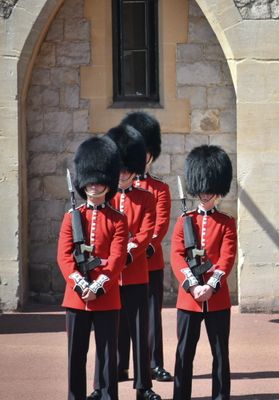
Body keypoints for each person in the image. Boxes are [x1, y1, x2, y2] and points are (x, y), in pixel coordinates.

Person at [89, 125, 161, 400]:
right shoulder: (103, 199)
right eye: (118, 169)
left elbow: (147, 233)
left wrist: (127, 251)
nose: (121, 175)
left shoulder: (146, 198)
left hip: (134, 273)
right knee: (105, 334)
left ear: (133, 169)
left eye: (126, 169)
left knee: (140, 333)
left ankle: (143, 386)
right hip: (108, 276)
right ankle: (101, 384)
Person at [57, 136, 127, 400]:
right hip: (76, 298)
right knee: (76, 355)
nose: (94, 185)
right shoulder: (71, 218)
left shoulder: (118, 220)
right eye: (90, 180)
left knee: (108, 356)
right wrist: (80, 283)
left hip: (106, 297)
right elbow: (64, 257)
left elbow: (117, 258)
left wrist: (98, 286)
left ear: (107, 183)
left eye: (99, 180)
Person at [171, 145, 237, 400]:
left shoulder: (226, 222)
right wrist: (192, 285)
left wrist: (210, 286)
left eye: (210, 189)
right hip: (189, 299)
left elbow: (227, 257)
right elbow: (177, 256)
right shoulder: (183, 221)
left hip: (216, 298)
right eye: (202, 189)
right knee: (184, 353)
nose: (205, 193)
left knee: (220, 353)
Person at [121, 111, 173, 382]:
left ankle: (154, 363)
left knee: (152, 316)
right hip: (121, 264)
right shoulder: (116, 188)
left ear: (151, 155)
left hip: (149, 261)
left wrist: (140, 247)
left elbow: (159, 225)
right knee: (119, 316)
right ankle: (121, 365)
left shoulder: (159, 189)